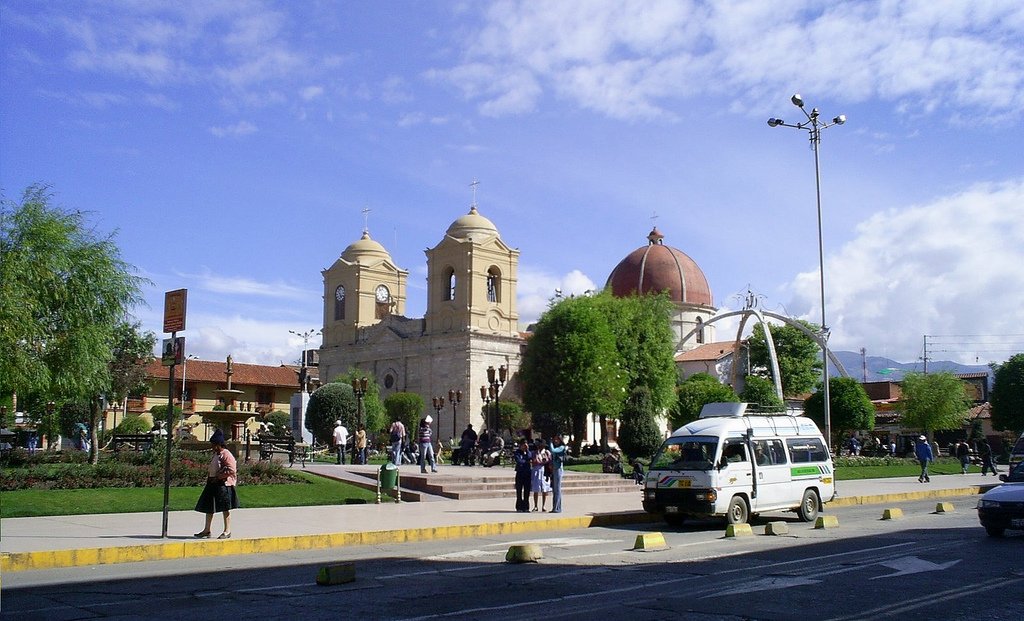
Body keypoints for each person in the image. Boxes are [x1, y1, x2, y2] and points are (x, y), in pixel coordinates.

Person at [194, 429, 239, 540]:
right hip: (213, 483)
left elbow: (232, 470)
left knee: (225, 508)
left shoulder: (226, 455)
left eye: (214, 444)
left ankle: (227, 530)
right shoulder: (216, 454)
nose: (213, 447)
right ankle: (207, 530)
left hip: (223, 484)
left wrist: (219, 476)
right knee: (209, 507)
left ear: (219, 444)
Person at [530, 440, 551, 512]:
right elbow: (534, 461)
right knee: (536, 489)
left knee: (544, 489)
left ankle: (543, 506)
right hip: (536, 470)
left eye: (541, 445)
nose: (540, 446)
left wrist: (545, 461)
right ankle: (535, 506)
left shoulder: (547, 452)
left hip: (545, 471)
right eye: (539, 445)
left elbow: (549, 461)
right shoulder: (535, 453)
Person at [548, 434, 567, 513]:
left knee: (557, 489)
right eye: (554, 439)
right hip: (554, 469)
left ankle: (557, 508)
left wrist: (550, 443)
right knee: (554, 489)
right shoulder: (556, 447)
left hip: (558, 469)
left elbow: (553, 451)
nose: (555, 441)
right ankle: (555, 507)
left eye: (557, 439)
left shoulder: (561, 447)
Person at [513, 439, 531, 512]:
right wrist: (526, 461)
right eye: (523, 445)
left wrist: (527, 451)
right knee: (519, 491)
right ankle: (519, 507)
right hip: (520, 473)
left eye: (526, 445)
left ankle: (526, 507)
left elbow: (530, 458)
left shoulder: (528, 453)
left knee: (527, 491)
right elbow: (519, 461)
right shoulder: (517, 453)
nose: (525, 446)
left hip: (527, 473)